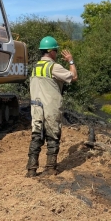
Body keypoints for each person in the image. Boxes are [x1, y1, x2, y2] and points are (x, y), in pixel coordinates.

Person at [26, 36, 78, 178]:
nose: (56, 53)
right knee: (52, 136)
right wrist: (71, 61)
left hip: (36, 107)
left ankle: (31, 169)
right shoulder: (54, 67)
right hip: (51, 107)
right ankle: (50, 168)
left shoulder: (35, 67)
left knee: (36, 136)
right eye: (55, 50)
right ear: (51, 52)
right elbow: (73, 77)